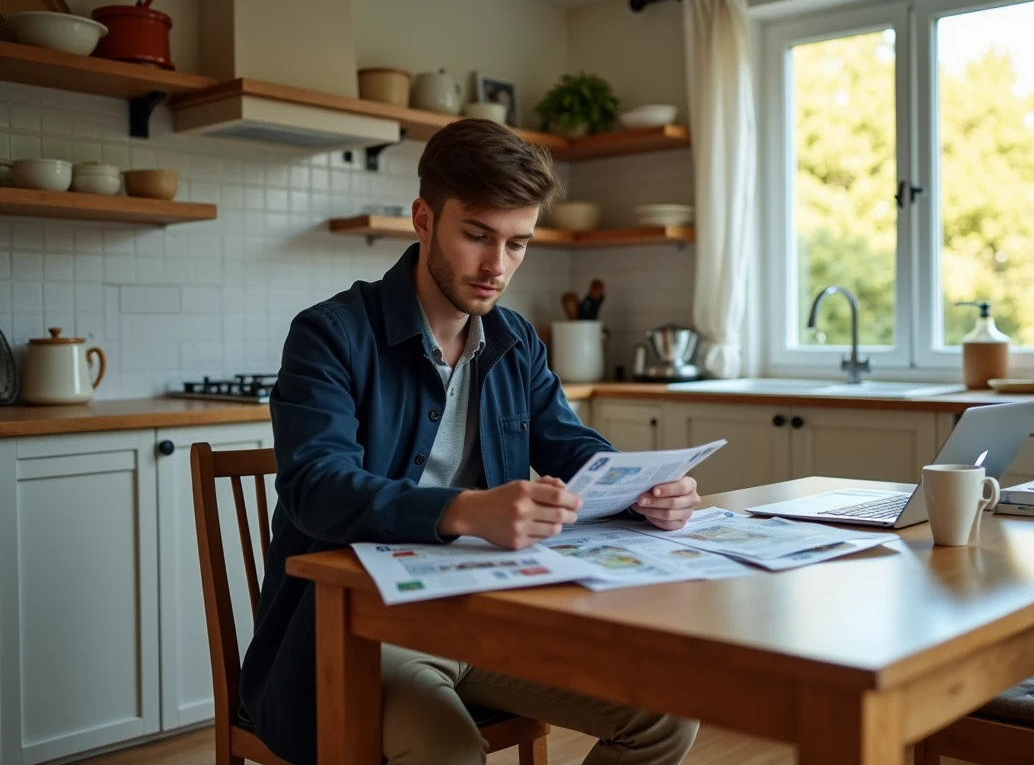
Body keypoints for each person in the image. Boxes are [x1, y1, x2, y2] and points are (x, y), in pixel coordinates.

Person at [240, 118, 702, 765]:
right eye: (478, 236)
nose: (497, 266)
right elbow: (315, 487)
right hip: (358, 629)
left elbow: (574, 449)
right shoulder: (331, 334)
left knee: (665, 714)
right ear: (424, 219)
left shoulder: (514, 341)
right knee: (449, 750)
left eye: (518, 244)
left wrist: (645, 489)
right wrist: (463, 511)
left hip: (488, 615)